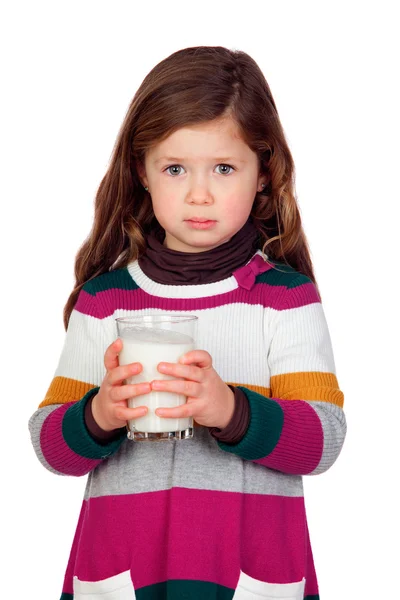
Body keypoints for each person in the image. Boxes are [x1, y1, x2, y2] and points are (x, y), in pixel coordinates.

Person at [29, 45, 346, 600]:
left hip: (248, 570)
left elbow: (323, 442)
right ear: (143, 173)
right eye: (175, 168)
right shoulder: (105, 300)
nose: (200, 193)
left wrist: (231, 410)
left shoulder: (286, 298)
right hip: (124, 573)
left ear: (264, 175)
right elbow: (51, 447)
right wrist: (100, 412)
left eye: (224, 168)